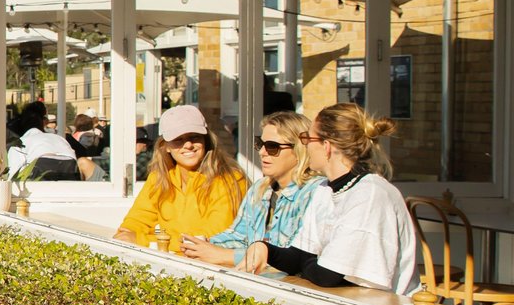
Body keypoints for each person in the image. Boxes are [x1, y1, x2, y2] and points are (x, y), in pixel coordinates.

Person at [244, 103, 418, 294]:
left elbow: (328, 275)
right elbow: (299, 256)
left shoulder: (370, 195)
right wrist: (264, 248)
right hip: (351, 302)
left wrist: (308, 263)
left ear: (326, 147)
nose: (304, 146)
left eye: (307, 139)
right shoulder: (325, 189)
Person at [182, 110, 323, 268]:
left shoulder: (316, 192)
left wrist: (223, 255)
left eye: (272, 147)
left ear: (299, 150)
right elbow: (239, 235)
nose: (262, 152)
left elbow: (294, 256)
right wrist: (203, 245)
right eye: (260, 144)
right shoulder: (260, 188)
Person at [113, 105, 247, 250]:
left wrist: (143, 240)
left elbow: (211, 237)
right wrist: (126, 234)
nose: (188, 145)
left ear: (206, 140)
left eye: (194, 137)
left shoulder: (229, 179)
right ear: (165, 146)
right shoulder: (160, 177)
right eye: (178, 139)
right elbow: (138, 219)